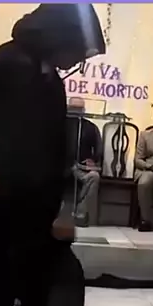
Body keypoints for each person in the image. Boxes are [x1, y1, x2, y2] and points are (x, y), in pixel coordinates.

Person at [0, 4, 105, 306]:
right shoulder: (1, 64)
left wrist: (61, 207)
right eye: (78, 50)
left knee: (34, 298)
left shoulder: (49, 78)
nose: (77, 60)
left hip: (35, 216)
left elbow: (55, 149)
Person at [66, 97, 102, 226]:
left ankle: (80, 214)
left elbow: (98, 149)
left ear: (83, 110)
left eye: (79, 109)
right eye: (73, 109)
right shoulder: (57, 124)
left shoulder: (90, 127)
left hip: (81, 167)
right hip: (60, 166)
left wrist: (93, 160)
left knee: (94, 177)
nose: (76, 112)